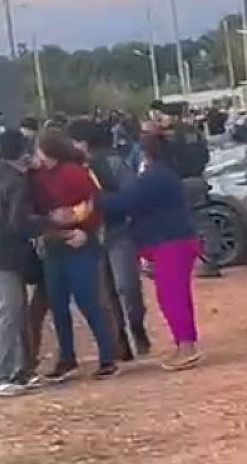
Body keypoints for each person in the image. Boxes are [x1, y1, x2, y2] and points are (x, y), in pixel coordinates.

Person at [55, 133, 203, 371]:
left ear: (146, 153)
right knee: (172, 296)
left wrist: (94, 197)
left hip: (170, 242)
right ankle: (183, 344)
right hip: (173, 240)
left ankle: (186, 346)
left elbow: (125, 201)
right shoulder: (163, 174)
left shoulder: (155, 176)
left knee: (172, 297)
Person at [30, 129, 118, 381]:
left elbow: (95, 205)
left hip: (79, 242)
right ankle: (67, 357)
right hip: (55, 244)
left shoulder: (76, 173)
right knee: (58, 305)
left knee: (88, 301)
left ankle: (107, 355)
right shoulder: (39, 177)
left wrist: (87, 232)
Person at [67, 117, 150, 360]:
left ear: (82, 143)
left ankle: (136, 324)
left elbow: (131, 195)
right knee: (105, 293)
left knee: (127, 286)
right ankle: (120, 339)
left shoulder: (112, 163)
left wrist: (100, 204)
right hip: (92, 236)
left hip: (117, 231)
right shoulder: (74, 169)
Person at [0, 130, 55, 396]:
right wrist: (49, 220)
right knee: (11, 312)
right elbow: (19, 224)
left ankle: (21, 370)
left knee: (17, 311)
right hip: (7, 255)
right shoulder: (16, 182)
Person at [158, 102, 223, 279]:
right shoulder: (194, 131)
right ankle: (211, 259)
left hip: (182, 181)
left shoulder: (170, 137)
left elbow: (167, 160)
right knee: (204, 220)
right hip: (198, 178)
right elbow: (205, 154)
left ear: (171, 116)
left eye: (163, 116)